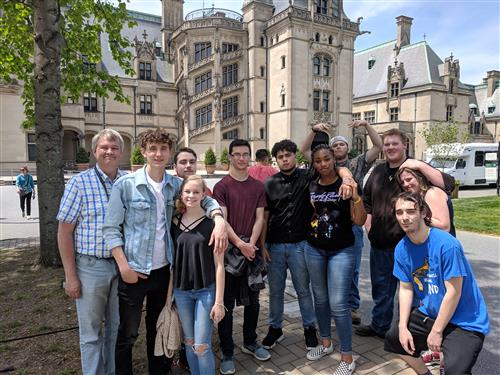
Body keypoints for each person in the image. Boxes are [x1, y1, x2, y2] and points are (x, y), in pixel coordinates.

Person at [103, 128, 227, 375]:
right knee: (127, 333)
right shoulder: (126, 185)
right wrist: (124, 267)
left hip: (164, 273)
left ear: (169, 152)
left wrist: (219, 218)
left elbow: (204, 198)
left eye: (163, 149)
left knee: (157, 329)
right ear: (144, 152)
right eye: (153, 149)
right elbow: (110, 229)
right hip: (134, 271)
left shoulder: (175, 185)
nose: (158, 154)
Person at [356, 129, 455, 339]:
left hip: (411, 246)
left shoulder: (414, 170)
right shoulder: (377, 172)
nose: (390, 147)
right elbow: (367, 204)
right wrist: (369, 228)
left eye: (395, 143)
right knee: (381, 290)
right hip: (380, 244)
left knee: (412, 291)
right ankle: (379, 326)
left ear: (405, 145)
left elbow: (447, 184)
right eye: (387, 144)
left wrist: (418, 164)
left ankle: (410, 331)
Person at [384, 192, 489, 375]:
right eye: (399, 212)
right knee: (394, 339)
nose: (405, 218)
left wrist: (437, 331)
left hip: (465, 321)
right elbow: (406, 289)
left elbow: (453, 292)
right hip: (430, 314)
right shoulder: (402, 248)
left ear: (423, 212)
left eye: (411, 211)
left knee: (455, 370)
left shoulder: (447, 245)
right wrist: (402, 328)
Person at [57, 129, 125, 375]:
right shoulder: (79, 183)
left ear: (121, 152)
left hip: (122, 266)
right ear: (95, 151)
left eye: (114, 147)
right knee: (91, 333)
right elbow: (64, 232)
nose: (109, 151)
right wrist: (71, 277)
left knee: (116, 329)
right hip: (90, 267)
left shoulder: (128, 181)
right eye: (104, 147)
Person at [301, 120, 383, 324]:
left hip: (352, 223)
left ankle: (352, 306)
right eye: (334, 144)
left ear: (348, 148)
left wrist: (366, 125)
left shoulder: (356, 163)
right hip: (327, 223)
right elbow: (303, 150)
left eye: (341, 144)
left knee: (352, 269)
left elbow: (378, 146)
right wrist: (314, 130)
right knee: (328, 271)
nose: (338, 147)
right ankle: (334, 307)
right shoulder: (323, 165)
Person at [303, 144, 366, 375]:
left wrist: (356, 194)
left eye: (326, 159)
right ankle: (327, 344)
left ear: (334, 159)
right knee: (319, 299)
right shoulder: (310, 182)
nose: (322, 164)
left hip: (342, 250)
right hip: (314, 249)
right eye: (318, 161)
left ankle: (347, 357)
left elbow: (359, 221)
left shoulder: (346, 183)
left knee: (339, 304)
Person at [213, 139, 270, 374]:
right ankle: (227, 352)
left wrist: (251, 244)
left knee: (253, 303)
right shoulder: (222, 186)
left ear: (250, 157)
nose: (241, 158)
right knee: (226, 305)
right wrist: (240, 244)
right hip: (230, 253)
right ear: (230, 157)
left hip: (251, 251)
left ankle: (249, 342)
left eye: (245, 154)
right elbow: (222, 220)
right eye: (237, 154)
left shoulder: (257, 187)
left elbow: (260, 218)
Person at [260, 139, 318, 352]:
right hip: (274, 246)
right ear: (276, 160)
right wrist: (263, 244)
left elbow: (323, 163)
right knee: (275, 291)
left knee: (303, 290)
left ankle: (309, 328)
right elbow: (264, 217)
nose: (285, 159)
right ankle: (275, 328)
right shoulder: (269, 183)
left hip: (300, 246)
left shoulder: (307, 176)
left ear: (295, 156)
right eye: (280, 157)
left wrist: (313, 133)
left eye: (288, 155)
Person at [171, 175, 226, 375]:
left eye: (196, 192)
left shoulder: (213, 225)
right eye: (187, 191)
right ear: (181, 193)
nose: (191, 195)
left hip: (206, 291)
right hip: (182, 291)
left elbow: (220, 265)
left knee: (202, 347)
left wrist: (219, 302)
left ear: (204, 194)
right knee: (189, 343)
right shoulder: (174, 222)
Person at [396, 167, 455, 237]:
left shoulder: (432, 193)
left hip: (441, 243)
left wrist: (420, 216)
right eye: (402, 182)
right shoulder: (419, 197)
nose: (405, 184)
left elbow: (444, 228)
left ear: (419, 178)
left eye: (409, 179)